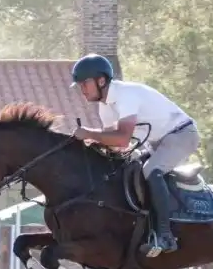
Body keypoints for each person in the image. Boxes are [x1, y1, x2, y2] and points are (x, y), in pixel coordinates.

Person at [69, 53, 199, 254]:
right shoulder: (105, 107)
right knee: (129, 170)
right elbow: (116, 146)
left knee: (150, 171)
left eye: (84, 84)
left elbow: (121, 138)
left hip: (181, 134)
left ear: (101, 80)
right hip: (157, 142)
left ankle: (165, 236)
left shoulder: (124, 94)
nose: (82, 90)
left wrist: (88, 133)